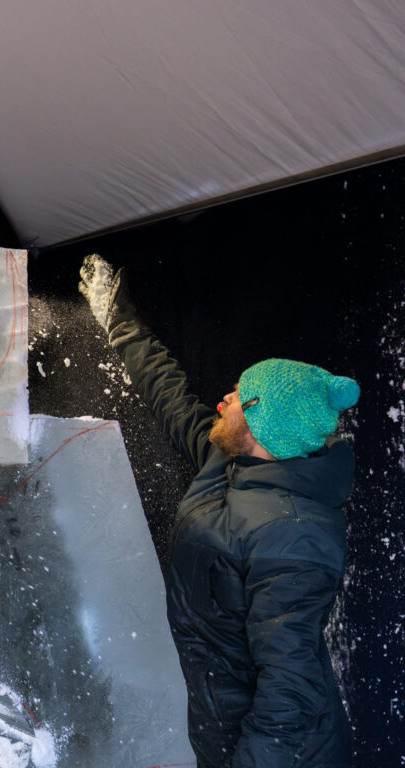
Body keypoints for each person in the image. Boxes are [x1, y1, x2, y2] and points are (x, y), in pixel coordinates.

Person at [78, 254, 358, 767]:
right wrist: (118, 322)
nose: (226, 397)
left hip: (282, 754)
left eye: (239, 396)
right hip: (223, 731)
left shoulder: (296, 538)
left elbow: (289, 690)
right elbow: (172, 399)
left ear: (259, 425)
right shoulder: (229, 458)